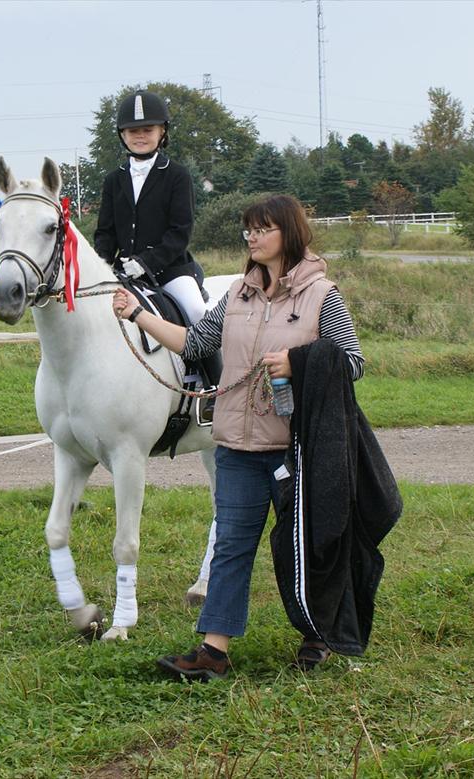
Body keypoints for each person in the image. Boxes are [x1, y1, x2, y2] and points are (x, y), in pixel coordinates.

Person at [112, 194, 365, 681]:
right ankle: (214, 650)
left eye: (261, 229)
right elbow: (195, 343)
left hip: (297, 448)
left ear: (288, 234)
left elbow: (352, 362)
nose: (251, 237)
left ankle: (318, 636)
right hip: (237, 447)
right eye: (247, 229)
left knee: (306, 547)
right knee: (231, 545)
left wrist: (299, 363)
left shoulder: (321, 295)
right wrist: (137, 315)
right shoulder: (239, 295)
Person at [95, 89, 205, 326]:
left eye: (148, 130)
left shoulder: (177, 175)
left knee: (196, 311)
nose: (141, 136)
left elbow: (180, 232)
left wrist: (146, 263)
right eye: (134, 131)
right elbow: (106, 232)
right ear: (123, 135)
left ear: (162, 131)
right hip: (122, 273)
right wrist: (101, 266)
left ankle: (207, 364)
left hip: (170, 272)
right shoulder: (114, 179)